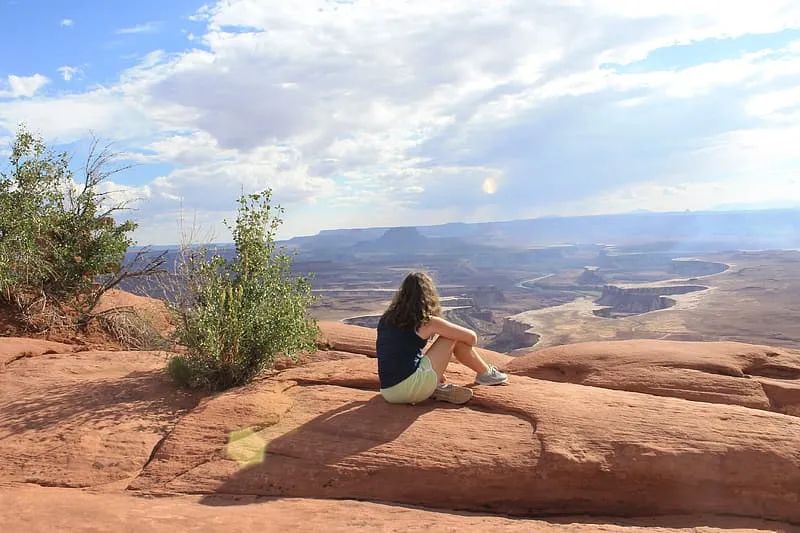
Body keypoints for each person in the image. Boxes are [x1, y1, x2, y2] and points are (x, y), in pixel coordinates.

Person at [376, 271, 508, 405]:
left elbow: (399, 353)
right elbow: (472, 338)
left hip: (389, 392)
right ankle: (486, 374)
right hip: (410, 386)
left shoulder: (386, 319)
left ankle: (433, 387)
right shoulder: (428, 322)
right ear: (428, 295)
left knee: (446, 339)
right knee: (451, 337)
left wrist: (435, 368)